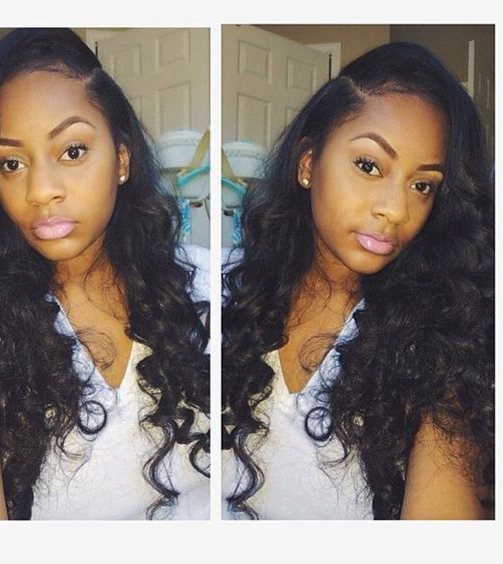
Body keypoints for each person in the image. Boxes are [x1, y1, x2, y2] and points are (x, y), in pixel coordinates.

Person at [0, 28, 210, 520]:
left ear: (121, 159)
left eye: (72, 151)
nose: (41, 190)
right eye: (11, 163)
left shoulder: (207, 286)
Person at [222, 41, 494, 520]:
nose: (395, 209)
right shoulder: (227, 294)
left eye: (422, 185)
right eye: (369, 166)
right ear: (308, 164)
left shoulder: (436, 346)